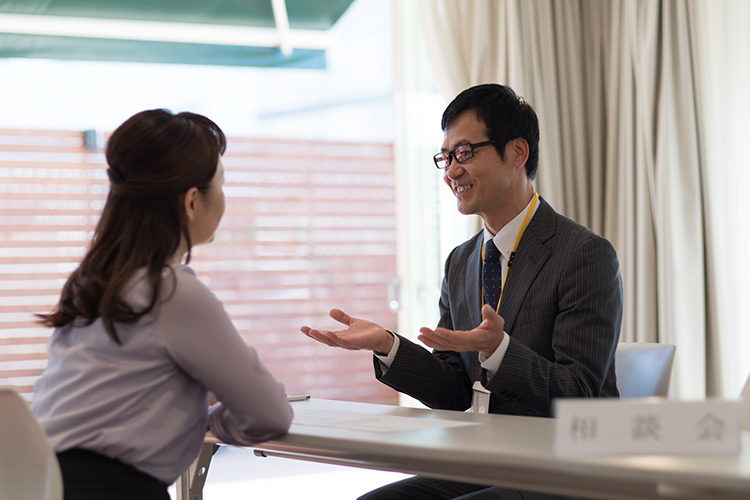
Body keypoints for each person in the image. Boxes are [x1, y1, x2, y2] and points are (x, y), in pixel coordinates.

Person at [301, 84, 623, 500]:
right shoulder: (461, 261)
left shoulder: (584, 254)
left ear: (518, 153)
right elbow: (454, 390)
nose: (452, 171)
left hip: (563, 468)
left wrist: (501, 350)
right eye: (446, 157)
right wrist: (388, 345)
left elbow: (580, 395)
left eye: (466, 153)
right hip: (485, 459)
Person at [31, 109, 293, 500]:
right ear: (191, 202)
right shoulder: (172, 291)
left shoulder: (92, 283)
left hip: (44, 481)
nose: (223, 198)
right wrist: (205, 419)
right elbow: (270, 414)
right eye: (220, 184)